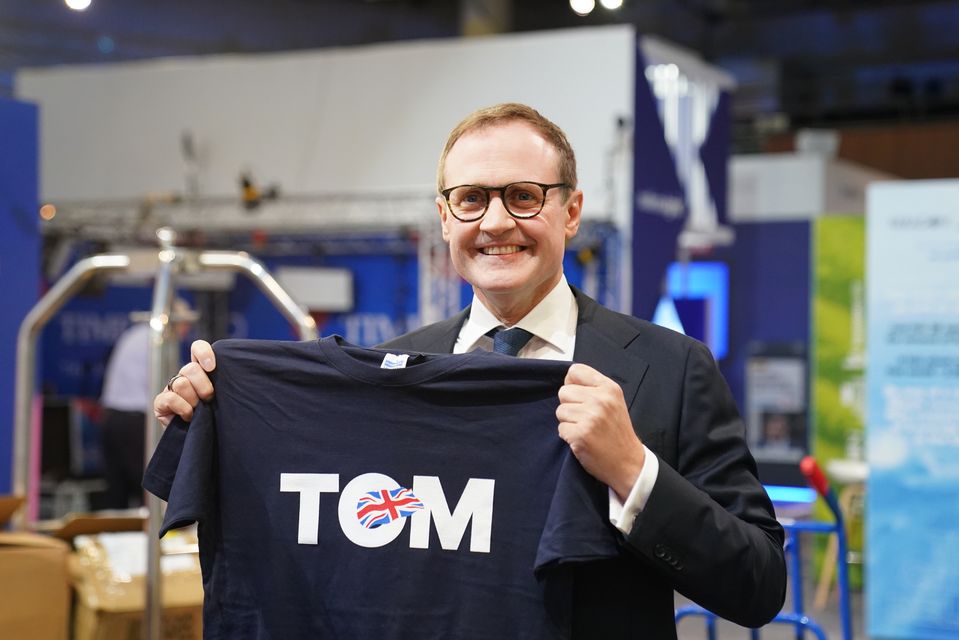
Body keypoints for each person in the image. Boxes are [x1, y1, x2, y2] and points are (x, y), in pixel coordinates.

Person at [152, 103, 786, 637]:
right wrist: (220, 412)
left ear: (570, 212)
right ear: (444, 217)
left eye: (523, 196)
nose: (496, 222)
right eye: (471, 199)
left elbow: (758, 585)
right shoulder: (387, 377)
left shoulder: (667, 369)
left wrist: (632, 471)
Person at [100, 298, 192, 508]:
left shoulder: (133, 334)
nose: (186, 330)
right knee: (151, 490)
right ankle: (153, 540)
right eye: (185, 324)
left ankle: (118, 538)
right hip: (135, 422)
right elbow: (170, 389)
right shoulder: (160, 341)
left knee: (117, 492)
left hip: (111, 419)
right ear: (175, 321)